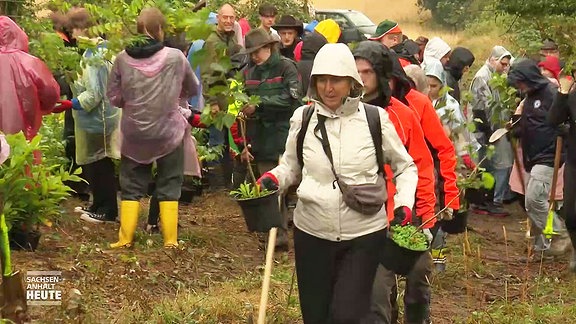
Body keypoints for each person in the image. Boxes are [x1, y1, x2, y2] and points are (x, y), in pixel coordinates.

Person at [257, 42, 418, 323]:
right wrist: (274, 178)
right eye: (322, 80)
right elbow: (291, 167)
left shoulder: (374, 120)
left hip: (364, 235)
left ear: (352, 83)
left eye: (336, 81)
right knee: (316, 316)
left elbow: (405, 167)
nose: (328, 88)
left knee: (346, 315)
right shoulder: (303, 118)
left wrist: (404, 205)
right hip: (312, 233)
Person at [353, 41, 436, 324]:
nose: (360, 78)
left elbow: (422, 166)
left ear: (381, 74)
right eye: (356, 71)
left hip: (407, 215)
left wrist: (424, 216)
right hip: (367, 220)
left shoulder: (403, 115)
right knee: (376, 295)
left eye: (366, 71)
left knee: (418, 281)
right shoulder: (345, 116)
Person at [107, 8, 199, 248]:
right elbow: (193, 87)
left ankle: (125, 238)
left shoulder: (121, 58)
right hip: (168, 131)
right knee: (169, 182)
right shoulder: (175, 57)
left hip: (134, 133)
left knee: (131, 184)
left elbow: (113, 97)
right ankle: (170, 240)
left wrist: (135, 103)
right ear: (160, 30)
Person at [53, 8, 121, 223]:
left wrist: (71, 103)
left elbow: (94, 94)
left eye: (75, 28)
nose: (72, 34)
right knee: (93, 163)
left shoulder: (97, 55)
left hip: (98, 120)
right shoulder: (95, 51)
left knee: (100, 162)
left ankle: (107, 210)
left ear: (85, 28)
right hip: (95, 119)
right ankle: (98, 204)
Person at [239, 28, 301, 250]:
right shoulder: (249, 73)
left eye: (258, 51)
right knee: (269, 187)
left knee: (285, 187)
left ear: (269, 47)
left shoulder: (286, 67)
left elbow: (292, 99)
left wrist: (261, 104)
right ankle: (277, 235)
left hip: (286, 135)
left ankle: (285, 232)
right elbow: (244, 99)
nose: (254, 56)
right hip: (262, 138)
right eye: (251, 52)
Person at [508, 59, 571, 256]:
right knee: (533, 201)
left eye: (520, 82)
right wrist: (518, 128)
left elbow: (564, 117)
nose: (519, 86)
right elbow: (532, 120)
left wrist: (565, 129)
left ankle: (561, 234)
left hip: (549, 155)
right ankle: (542, 245)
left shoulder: (551, 93)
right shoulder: (529, 96)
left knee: (534, 199)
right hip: (532, 155)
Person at [0, 16, 60, 144]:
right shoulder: (30, 63)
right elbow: (51, 93)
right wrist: (42, 108)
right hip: (24, 138)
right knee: (25, 161)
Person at [200, 3, 241, 191]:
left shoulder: (231, 40)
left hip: (231, 102)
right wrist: (212, 102)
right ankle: (215, 187)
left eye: (231, 17)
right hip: (217, 101)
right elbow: (208, 74)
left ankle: (227, 184)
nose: (228, 21)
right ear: (218, 18)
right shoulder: (212, 41)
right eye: (225, 17)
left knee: (228, 142)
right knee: (216, 142)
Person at [470, 46, 514, 216]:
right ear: (493, 59)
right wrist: (489, 133)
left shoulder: (497, 76)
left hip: (496, 127)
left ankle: (486, 200)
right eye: (502, 64)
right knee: (500, 164)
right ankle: (493, 201)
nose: (505, 67)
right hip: (487, 130)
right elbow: (481, 108)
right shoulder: (482, 77)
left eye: (507, 65)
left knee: (488, 165)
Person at [549, 66, 576, 271]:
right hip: (574, 161)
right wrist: (562, 93)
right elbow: (553, 120)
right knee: (570, 212)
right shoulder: (572, 97)